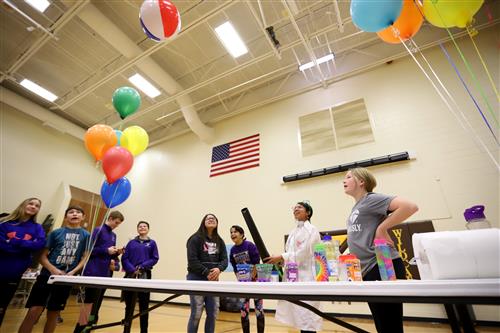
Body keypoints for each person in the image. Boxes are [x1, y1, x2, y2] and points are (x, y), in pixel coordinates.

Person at [343, 167, 418, 333]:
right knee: (381, 322)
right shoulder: (358, 205)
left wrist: (382, 229)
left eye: (348, 177)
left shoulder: (371, 199)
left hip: (383, 261)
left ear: (361, 181)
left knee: (390, 322)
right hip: (368, 267)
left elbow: (410, 206)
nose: (344, 181)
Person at [18, 205, 90, 333]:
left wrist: (73, 272)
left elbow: (85, 257)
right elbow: (42, 256)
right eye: (71, 212)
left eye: (78, 212)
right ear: (65, 216)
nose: (74, 214)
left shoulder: (86, 236)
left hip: (66, 279)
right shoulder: (56, 233)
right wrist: (53, 269)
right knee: (34, 311)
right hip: (47, 276)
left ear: (83, 217)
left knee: (54, 313)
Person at [266, 201, 322, 333]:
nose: (296, 209)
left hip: (307, 278)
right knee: (298, 316)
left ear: (308, 213)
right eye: (294, 207)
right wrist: (281, 262)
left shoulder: (312, 230)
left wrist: (282, 257)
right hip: (293, 278)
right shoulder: (293, 232)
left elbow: (304, 254)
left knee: (307, 315)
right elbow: (291, 255)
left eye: (300, 207)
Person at [73, 211, 124, 333]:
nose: (117, 225)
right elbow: (89, 250)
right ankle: (80, 328)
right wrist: (106, 251)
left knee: (97, 302)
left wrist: (117, 253)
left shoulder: (113, 235)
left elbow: (110, 253)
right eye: (116, 222)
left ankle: (89, 325)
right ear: (110, 218)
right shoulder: (98, 230)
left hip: (105, 273)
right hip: (93, 271)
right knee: (89, 302)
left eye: (119, 224)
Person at [0, 198, 46, 326]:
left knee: (2, 306)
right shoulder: (5, 223)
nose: (33, 207)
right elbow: (2, 245)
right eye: (31, 203)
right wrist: (26, 246)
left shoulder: (37, 228)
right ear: (23, 205)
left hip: (14, 273)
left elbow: (39, 245)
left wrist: (14, 241)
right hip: (1, 265)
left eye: (37, 206)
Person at [186, 213, 228, 333]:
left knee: (213, 312)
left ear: (217, 223)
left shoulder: (220, 241)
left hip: (213, 282)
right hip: (196, 279)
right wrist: (207, 272)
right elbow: (192, 261)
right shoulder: (194, 239)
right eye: (208, 218)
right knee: (197, 313)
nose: (211, 219)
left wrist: (219, 269)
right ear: (203, 222)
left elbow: (225, 260)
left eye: (213, 218)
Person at [121, 221, 159, 333]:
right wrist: (132, 269)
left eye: (145, 226)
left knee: (144, 305)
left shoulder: (152, 243)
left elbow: (155, 258)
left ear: (148, 229)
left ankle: (144, 330)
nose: (142, 228)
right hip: (130, 275)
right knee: (129, 305)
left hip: (145, 276)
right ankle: (126, 330)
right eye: (140, 226)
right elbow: (125, 258)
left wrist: (142, 267)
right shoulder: (131, 243)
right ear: (137, 229)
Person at [229, 225, 265, 333]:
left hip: (255, 283)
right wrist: (240, 279)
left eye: (235, 232)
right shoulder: (232, 250)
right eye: (231, 232)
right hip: (243, 285)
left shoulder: (249, 245)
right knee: (244, 312)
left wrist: (252, 276)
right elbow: (235, 267)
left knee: (259, 311)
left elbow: (256, 261)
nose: (232, 234)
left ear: (241, 234)